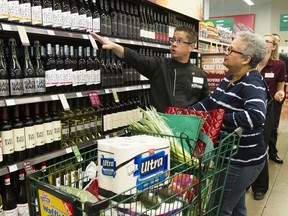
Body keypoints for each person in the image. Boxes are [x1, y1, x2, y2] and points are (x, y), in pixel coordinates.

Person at [188, 31, 269, 215]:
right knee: (236, 207)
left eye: (231, 50)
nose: (226, 52)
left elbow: (256, 116)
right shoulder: (229, 78)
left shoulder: (252, 83)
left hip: (242, 160)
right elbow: (210, 103)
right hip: (228, 155)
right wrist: (187, 113)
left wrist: (218, 118)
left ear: (245, 59)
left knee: (218, 210)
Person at [90, 26, 209, 112]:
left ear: (191, 47)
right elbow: (136, 58)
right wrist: (115, 47)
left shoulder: (199, 74)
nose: (174, 44)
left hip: (186, 130)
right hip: (160, 128)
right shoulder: (159, 66)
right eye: (173, 40)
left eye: (179, 41)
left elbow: (204, 104)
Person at [250, 34, 286, 201]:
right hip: (249, 108)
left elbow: (280, 86)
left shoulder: (278, 65)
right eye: (261, 40)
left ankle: (260, 186)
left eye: (267, 41)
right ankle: (246, 181)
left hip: (268, 107)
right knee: (246, 144)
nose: (263, 43)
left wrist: (281, 93)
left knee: (260, 145)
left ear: (273, 47)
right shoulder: (251, 61)